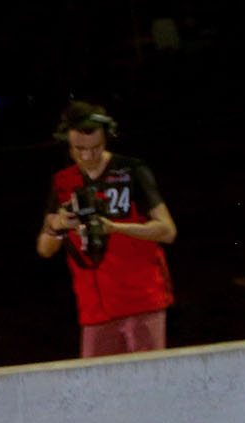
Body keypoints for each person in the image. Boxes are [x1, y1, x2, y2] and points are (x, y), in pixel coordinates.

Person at [37, 102, 177, 357]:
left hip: (142, 301)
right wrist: (59, 225)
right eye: (79, 149)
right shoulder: (62, 182)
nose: (88, 156)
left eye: (96, 148)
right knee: (96, 380)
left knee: (147, 376)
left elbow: (167, 230)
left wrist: (114, 228)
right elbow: (45, 249)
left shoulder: (132, 170)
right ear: (68, 144)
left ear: (106, 139)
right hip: (94, 309)